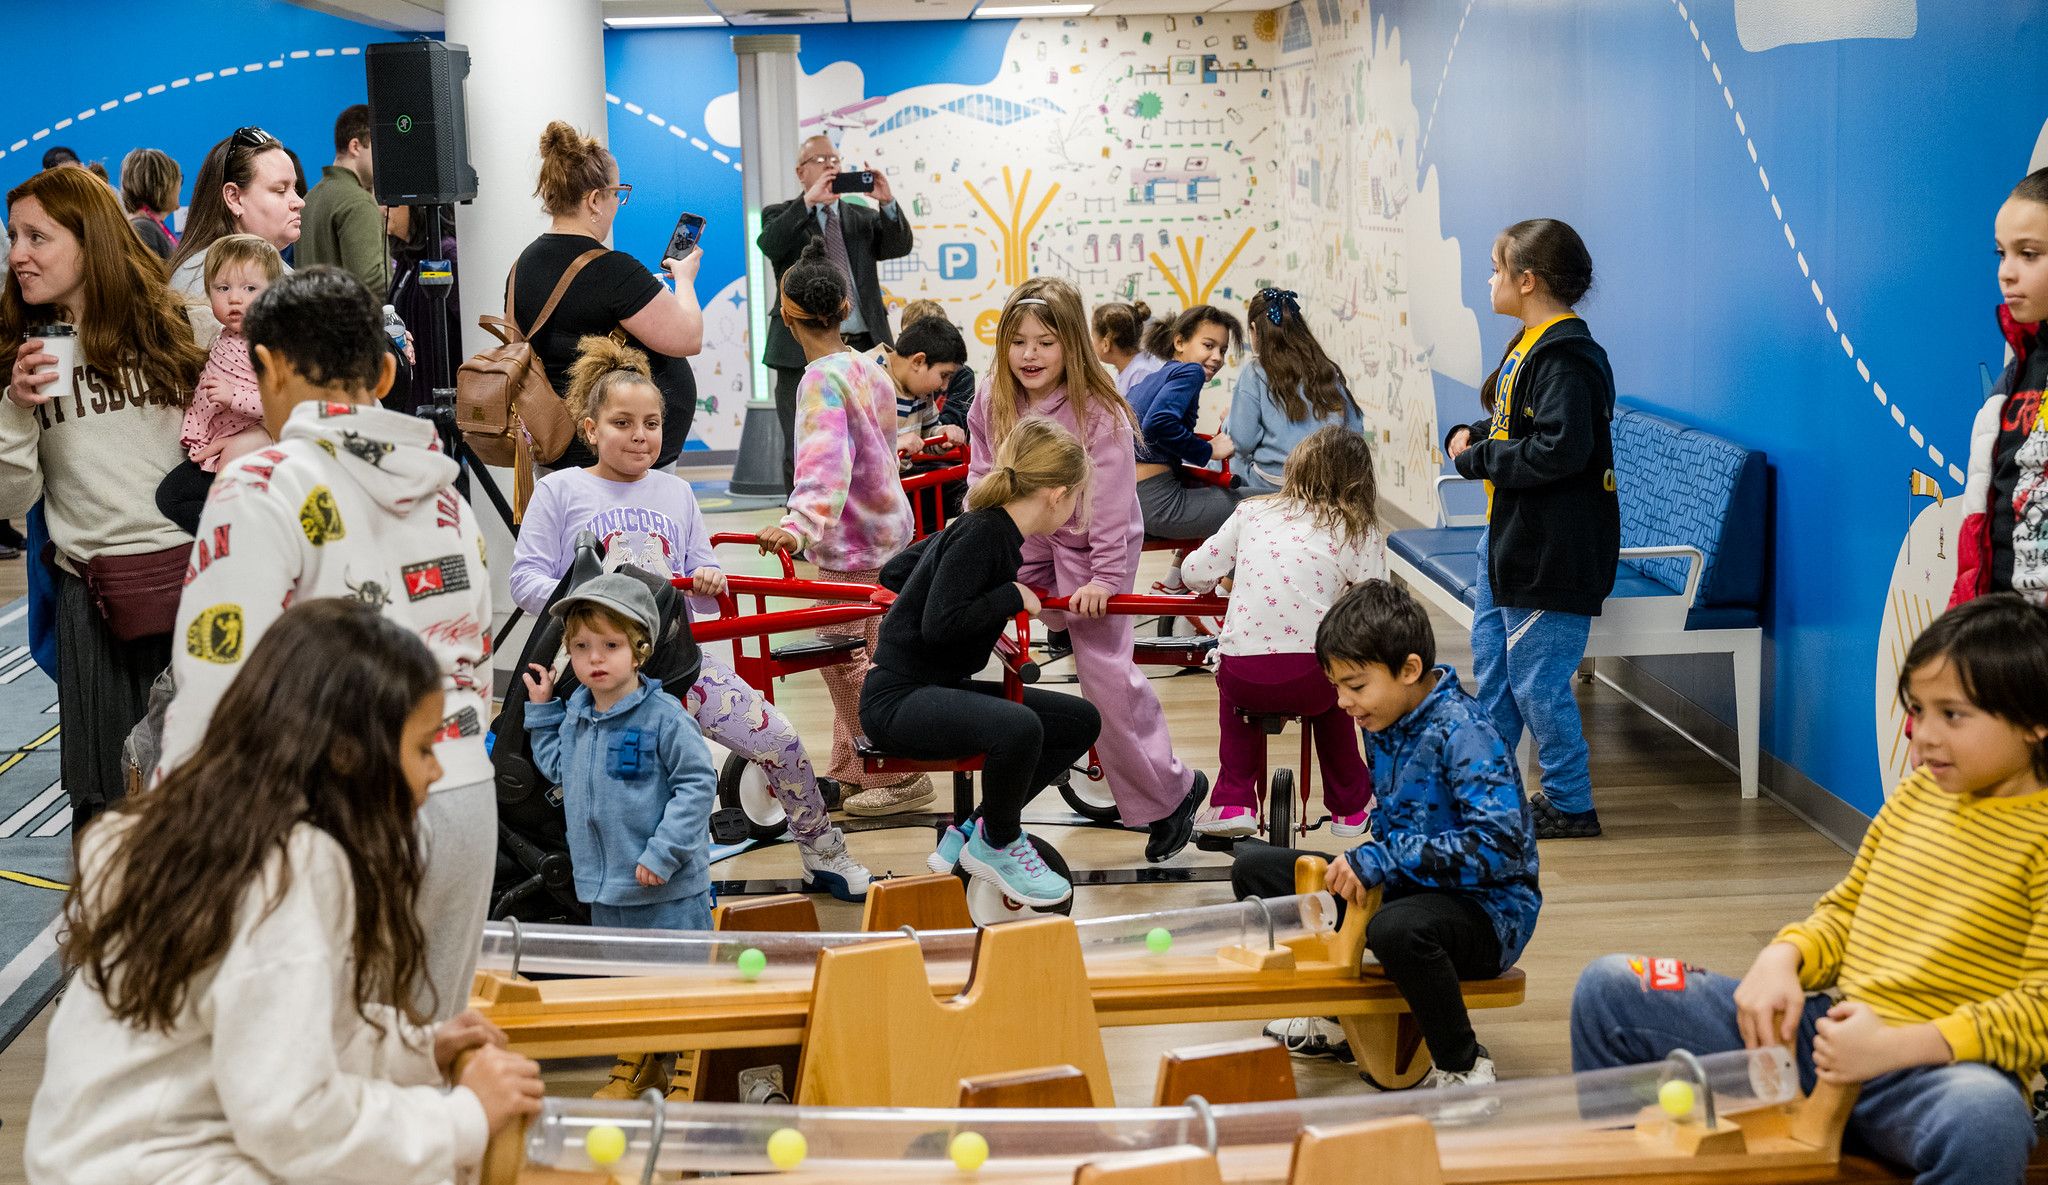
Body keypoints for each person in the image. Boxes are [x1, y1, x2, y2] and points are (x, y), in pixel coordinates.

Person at [25, 599, 545, 1184]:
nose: (437, 771)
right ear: (350, 755)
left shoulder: (196, 830)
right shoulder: (293, 867)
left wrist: (420, 1049)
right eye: (424, 748)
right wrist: (465, 1117)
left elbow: (277, 1030)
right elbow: (295, 1120)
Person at [1573, 593, 2048, 1182]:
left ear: (2035, 720)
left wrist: (1897, 1048)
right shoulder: (1917, 795)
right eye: (1917, 710)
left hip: (1936, 1075)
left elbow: (2039, 1009)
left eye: (1952, 715)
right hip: (1823, 1041)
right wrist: (1784, 957)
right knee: (1611, 987)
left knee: (1987, 1117)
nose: (1922, 735)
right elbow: (1847, 913)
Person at [159, 267, 494, 1021]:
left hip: (334, 810)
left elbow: (216, 682)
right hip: (463, 791)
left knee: (320, 1063)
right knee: (429, 1052)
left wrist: (179, 844)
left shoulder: (259, 483)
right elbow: (475, 659)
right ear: (385, 374)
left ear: (267, 367)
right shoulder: (445, 495)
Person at [509, 335, 872, 901]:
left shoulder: (676, 493)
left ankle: (823, 851)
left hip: (680, 666)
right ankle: (645, 884)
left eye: (651, 423)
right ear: (590, 430)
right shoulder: (560, 490)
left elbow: (703, 589)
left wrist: (708, 580)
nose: (640, 435)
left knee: (780, 739)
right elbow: (525, 579)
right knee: (639, 785)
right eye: (623, 423)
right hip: (598, 679)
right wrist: (587, 601)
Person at [1238, 580, 1539, 1088]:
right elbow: (1396, 828)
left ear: (1410, 669)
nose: (1343, 702)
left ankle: (1463, 1065)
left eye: (1355, 686)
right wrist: (1372, 860)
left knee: (1396, 929)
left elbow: (1500, 847)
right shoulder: (1383, 718)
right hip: (1411, 887)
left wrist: (1383, 859)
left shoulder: (1466, 732)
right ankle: (1335, 1015)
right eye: (1336, 686)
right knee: (1257, 870)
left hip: (1487, 913)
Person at [968, 278, 1206, 862]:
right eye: (1018, 342)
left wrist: (1103, 577)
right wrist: (985, 552)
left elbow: (1109, 505)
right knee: (979, 632)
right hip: (1027, 532)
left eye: (1045, 343)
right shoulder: (993, 395)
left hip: (1092, 541)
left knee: (1103, 672)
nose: (1029, 355)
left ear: (1072, 344)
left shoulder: (1098, 410)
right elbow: (981, 476)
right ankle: (997, 800)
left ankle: (1170, 793)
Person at [0, 165, 206, 824]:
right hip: (96, 603)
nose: (18, 254)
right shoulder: (18, 350)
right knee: (109, 806)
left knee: (209, 798)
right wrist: (14, 406)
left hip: (199, 583)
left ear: (90, 242)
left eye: (37, 237)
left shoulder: (180, 325)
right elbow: (11, 498)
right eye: (13, 236)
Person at [864, 416, 1103, 904]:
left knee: (1079, 720)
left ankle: (976, 829)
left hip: (929, 688)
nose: (1076, 506)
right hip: (897, 700)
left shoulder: (986, 528)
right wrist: (1010, 594)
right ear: (1057, 494)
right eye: (1077, 496)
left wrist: (952, 574)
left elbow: (896, 571)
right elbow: (940, 625)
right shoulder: (984, 532)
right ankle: (999, 842)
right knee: (1019, 728)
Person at [1445, 218, 1617, 840]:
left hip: (1554, 550)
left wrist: (1482, 457)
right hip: (1511, 539)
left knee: (1537, 683)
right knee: (1495, 673)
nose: (1489, 280)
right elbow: (1513, 423)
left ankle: (1572, 803)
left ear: (1527, 280)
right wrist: (1472, 437)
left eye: (1496, 268)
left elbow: (1559, 450)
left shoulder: (1568, 358)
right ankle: (1491, 795)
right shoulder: (1529, 344)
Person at [756, 241, 930, 814]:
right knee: (870, 656)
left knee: (842, 660)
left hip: (850, 547)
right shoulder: (867, 367)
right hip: (888, 533)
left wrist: (798, 526)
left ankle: (899, 774)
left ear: (786, 315)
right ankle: (856, 768)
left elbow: (825, 466)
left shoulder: (818, 380)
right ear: (845, 307)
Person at [1181, 426, 1382, 839]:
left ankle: (1234, 800)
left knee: (1235, 700)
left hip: (1245, 673)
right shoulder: (1359, 528)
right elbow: (1373, 605)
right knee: (1336, 698)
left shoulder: (1252, 512)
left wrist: (1221, 582)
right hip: (1314, 676)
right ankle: (1350, 808)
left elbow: (1194, 572)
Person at [522, 573, 718, 928]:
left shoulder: (665, 719)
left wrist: (664, 853)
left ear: (640, 650)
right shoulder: (577, 718)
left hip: (667, 895)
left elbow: (697, 786)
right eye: (581, 646)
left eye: (611, 645)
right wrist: (543, 711)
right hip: (604, 893)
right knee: (616, 968)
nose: (595, 658)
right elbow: (558, 768)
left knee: (676, 968)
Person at [514, 121, 703, 467]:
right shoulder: (612, 270)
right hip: (617, 465)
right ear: (594, 200)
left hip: (554, 447)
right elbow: (689, 337)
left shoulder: (523, 264)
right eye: (617, 193)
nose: (617, 203)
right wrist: (685, 279)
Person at [757, 134, 914, 490]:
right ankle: (803, 520)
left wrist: (887, 202)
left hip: (864, 345)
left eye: (835, 160)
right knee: (802, 441)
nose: (830, 165)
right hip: (799, 348)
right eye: (820, 160)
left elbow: (898, 246)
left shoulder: (861, 216)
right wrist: (809, 203)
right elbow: (770, 244)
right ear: (801, 172)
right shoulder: (782, 214)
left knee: (870, 436)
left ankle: (868, 511)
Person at [1953, 168, 2048, 607]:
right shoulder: (2015, 376)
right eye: (2001, 253)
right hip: (2005, 623)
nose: (2006, 273)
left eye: (2028, 254)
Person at [156, 234, 282, 533]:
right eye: (223, 288)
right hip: (219, 444)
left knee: (189, 498)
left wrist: (233, 396)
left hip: (248, 446)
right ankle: (228, 531)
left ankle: (234, 534)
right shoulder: (225, 334)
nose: (235, 298)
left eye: (250, 288)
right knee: (171, 497)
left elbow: (278, 401)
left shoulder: (267, 344)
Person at [1127, 304, 1247, 591]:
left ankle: (1176, 580)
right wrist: (1209, 450)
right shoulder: (1190, 373)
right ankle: (1223, 591)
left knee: (1226, 497)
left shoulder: (1154, 377)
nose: (1217, 357)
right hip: (1158, 502)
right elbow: (1159, 424)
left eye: (1222, 350)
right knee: (1261, 504)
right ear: (1179, 342)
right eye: (1208, 345)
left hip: (1133, 500)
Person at [166, 126, 305, 344]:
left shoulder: (212, 271)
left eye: (294, 189)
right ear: (234, 198)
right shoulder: (205, 279)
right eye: (280, 190)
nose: (299, 202)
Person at [1226, 288, 1362, 494]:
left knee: (1229, 456)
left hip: (1274, 484)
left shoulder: (1255, 372)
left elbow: (1242, 442)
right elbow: (1355, 430)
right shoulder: (1326, 368)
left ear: (1253, 329)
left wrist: (1228, 421)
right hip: (1323, 484)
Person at [881, 312, 969, 528]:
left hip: (901, 482)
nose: (944, 387)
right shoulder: (865, 376)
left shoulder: (921, 389)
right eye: (944, 375)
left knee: (972, 486)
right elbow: (847, 446)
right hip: (870, 494)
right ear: (918, 361)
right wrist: (893, 444)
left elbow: (928, 432)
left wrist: (941, 434)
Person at [297, 103, 392, 298]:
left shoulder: (310, 198)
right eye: (380, 148)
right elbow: (371, 282)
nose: (385, 159)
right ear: (355, 146)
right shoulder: (358, 202)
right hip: (350, 317)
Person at [118, 147, 182, 263]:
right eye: (179, 180)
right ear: (162, 185)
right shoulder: (143, 228)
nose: (179, 188)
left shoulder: (145, 226)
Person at [1092, 299, 1164, 398]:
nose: (1091, 343)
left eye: (1093, 337)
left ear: (1106, 344)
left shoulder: (1141, 372)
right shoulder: (1128, 368)